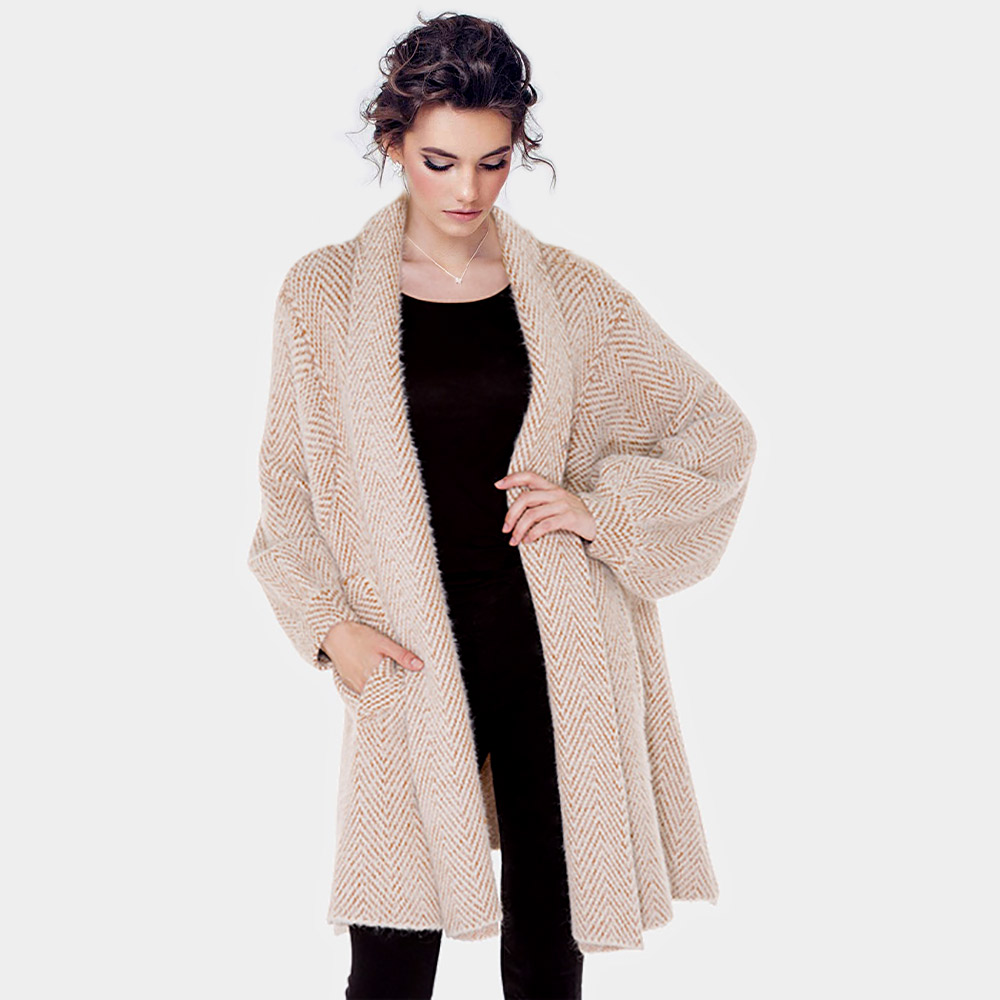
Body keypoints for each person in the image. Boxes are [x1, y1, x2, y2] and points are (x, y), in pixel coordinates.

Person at [247, 12, 757, 1000]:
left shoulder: (572, 295)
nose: (467, 191)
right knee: (390, 954)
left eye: (494, 162)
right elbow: (287, 494)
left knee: (548, 948)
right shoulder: (320, 296)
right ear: (393, 142)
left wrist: (599, 509)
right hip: (407, 654)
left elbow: (716, 434)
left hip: (556, 650)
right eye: (439, 161)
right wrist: (327, 628)